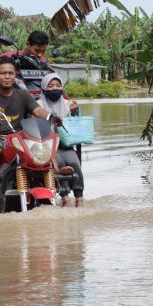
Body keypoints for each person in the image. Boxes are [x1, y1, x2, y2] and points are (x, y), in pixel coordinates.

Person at [0, 56, 50, 178]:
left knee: (45, 140)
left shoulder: (23, 95)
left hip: (19, 137)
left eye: (10, 73)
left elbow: (38, 111)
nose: (7, 76)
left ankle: (56, 173)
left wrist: (51, 117)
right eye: (3, 73)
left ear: (15, 75)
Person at [36, 73, 85, 207]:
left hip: (65, 144)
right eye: (50, 86)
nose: (55, 88)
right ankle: (64, 197)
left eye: (58, 85)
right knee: (61, 163)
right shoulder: (37, 106)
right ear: (44, 88)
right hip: (47, 145)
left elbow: (77, 125)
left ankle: (79, 197)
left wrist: (75, 112)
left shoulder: (69, 104)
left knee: (74, 162)